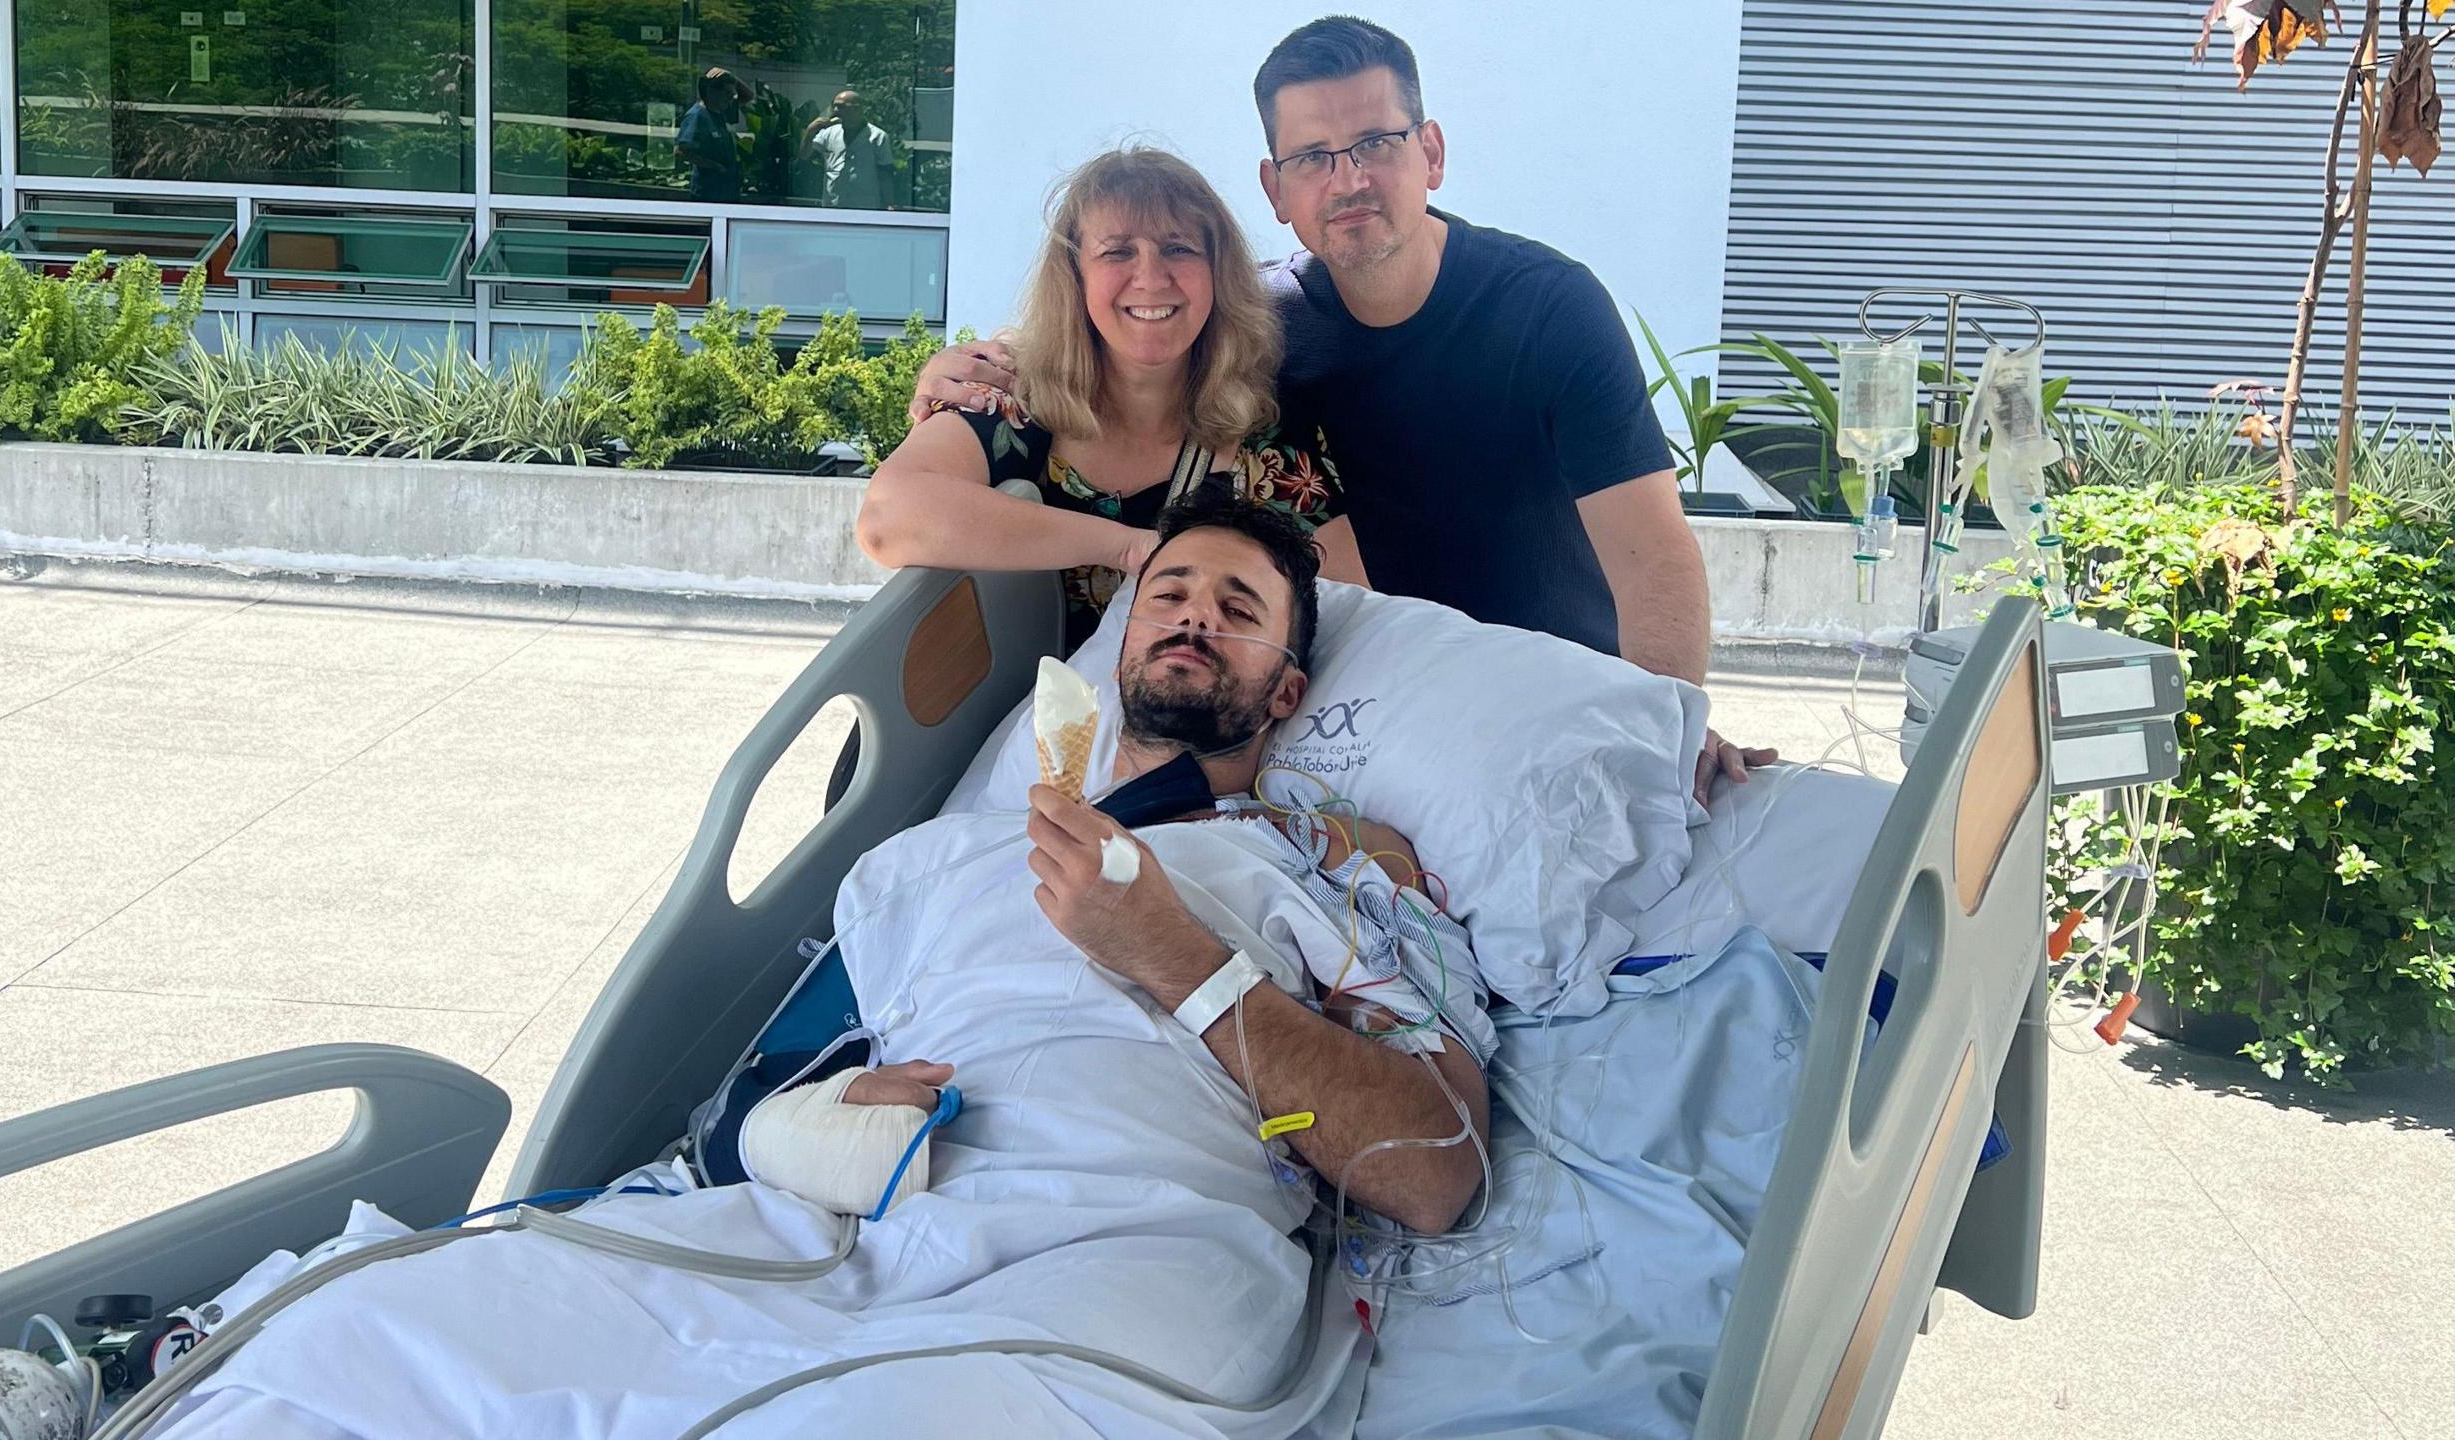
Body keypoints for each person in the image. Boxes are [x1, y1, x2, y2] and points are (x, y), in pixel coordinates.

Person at [143, 495, 1489, 1438]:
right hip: (849, 1228)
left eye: (1237, 607)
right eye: (1167, 595)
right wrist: (815, 1122)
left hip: (1131, 1247)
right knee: (356, 1336)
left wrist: (1184, 964)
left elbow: (1434, 1173)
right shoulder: (941, 863)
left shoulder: (1324, 866)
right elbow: (743, 1118)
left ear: (1286, 691)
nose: (1190, 617)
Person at [912, 16, 1777, 802]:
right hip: (1358, 702)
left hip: (1553, 698)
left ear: (1431, 152)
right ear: (1275, 188)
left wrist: (1667, 719)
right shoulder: (1260, 328)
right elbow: (1125, 331)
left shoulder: (1551, 310)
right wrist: (983, 368)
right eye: (1313, 158)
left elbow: (1652, 550)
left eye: (1376, 143)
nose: (1349, 178)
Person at [857, 144, 1345, 651]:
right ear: (1075, 276)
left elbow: (1345, 620)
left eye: (1179, 248)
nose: (1151, 277)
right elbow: (887, 519)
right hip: (996, 729)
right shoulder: (1006, 395)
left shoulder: (1270, 438)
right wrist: (1131, 548)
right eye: (1118, 251)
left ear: (1218, 274)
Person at [802, 88, 896, 209]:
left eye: (841, 107)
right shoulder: (828, 132)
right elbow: (804, 155)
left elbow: (885, 174)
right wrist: (809, 133)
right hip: (833, 205)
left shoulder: (878, 136)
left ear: (857, 109)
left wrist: (889, 203)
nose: (836, 111)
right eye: (834, 106)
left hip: (865, 206)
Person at [675, 68, 747, 203]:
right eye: (727, 93)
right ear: (711, 92)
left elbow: (748, 96)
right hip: (708, 192)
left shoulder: (722, 110)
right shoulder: (697, 116)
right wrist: (714, 166)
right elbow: (681, 152)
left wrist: (730, 75)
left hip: (728, 190)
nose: (731, 98)